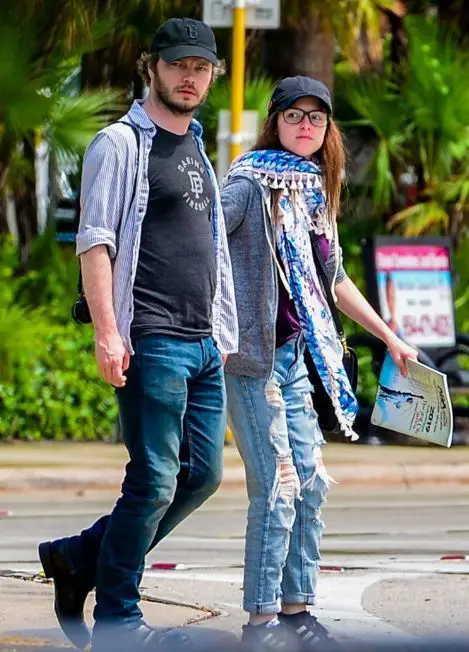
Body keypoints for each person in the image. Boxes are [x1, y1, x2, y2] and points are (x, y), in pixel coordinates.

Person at [38, 17, 238, 652]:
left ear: (212, 75)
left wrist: (224, 331)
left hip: (203, 341)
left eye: (200, 67)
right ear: (151, 66)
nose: (189, 76)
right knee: (152, 479)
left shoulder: (199, 149)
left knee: (200, 476)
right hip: (151, 336)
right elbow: (96, 241)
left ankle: (80, 558)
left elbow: (209, 250)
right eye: (178, 64)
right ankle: (120, 618)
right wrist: (107, 334)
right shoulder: (120, 144)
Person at [220, 75, 417, 651]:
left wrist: (390, 337)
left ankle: (296, 612)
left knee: (310, 486)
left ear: (327, 130)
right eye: (294, 115)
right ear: (275, 122)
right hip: (252, 362)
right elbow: (206, 247)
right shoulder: (248, 184)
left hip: (298, 360)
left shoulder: (312, 193)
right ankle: (258, 624)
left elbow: (330, 281)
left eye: (317, 117)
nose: (305, 125)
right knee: (277, 491)